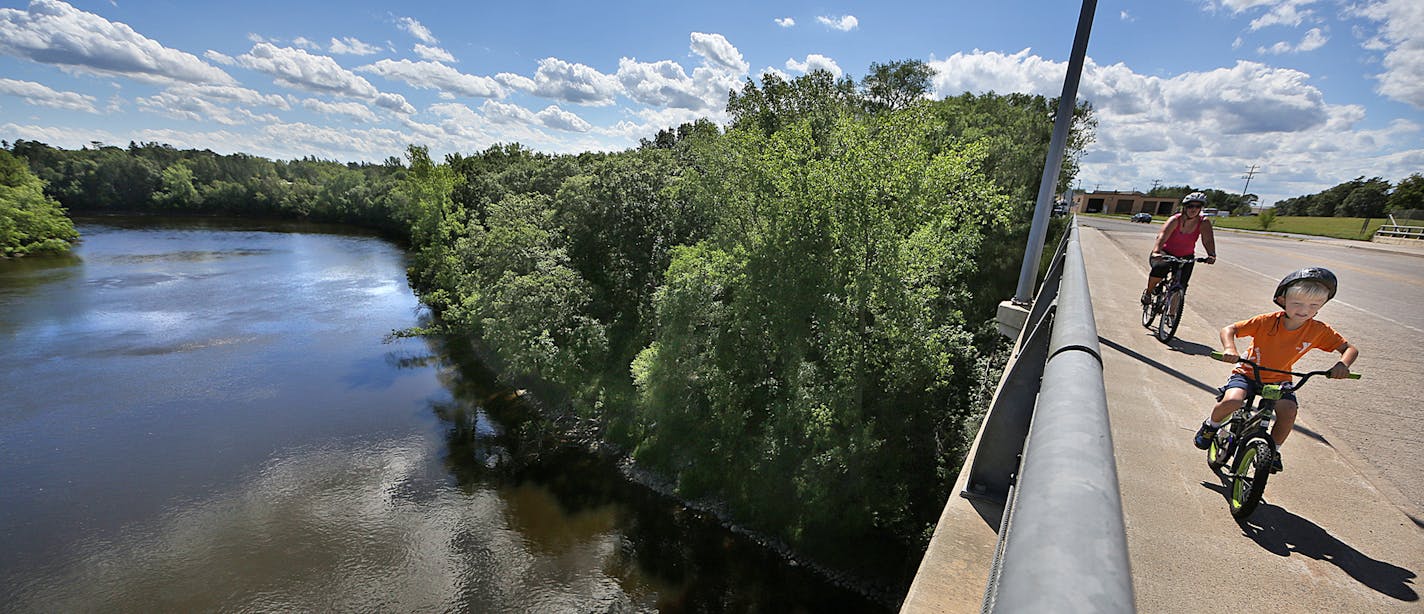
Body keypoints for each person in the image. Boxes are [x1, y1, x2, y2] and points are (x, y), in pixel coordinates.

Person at [1192, 267, 1360, 472]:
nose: (1304, 310)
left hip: (1280, 379)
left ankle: (1274, 449)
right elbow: (1230, 329)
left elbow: (1349, 349)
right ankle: (1211, 425)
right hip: (1248, 373)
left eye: (1314, 305)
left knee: (1289, 411)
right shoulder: (1267, 322)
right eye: (1297, 303)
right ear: (1282, 301)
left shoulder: (1319, 330)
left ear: (1321, 306)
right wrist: (1230, 348)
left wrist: (1342, 365)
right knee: (1233, 400)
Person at [1141, 192, 1217, 305]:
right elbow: (1162, 236)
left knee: (1181, 285)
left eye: (1198, 207)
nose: (1194, 209)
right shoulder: (1175, 220)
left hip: (1186, 256)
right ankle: (1149, 292)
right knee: (1160, 269)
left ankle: (1172, 315)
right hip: (1165, 253)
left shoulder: (1203, 222)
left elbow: (1208, 240)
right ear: (1185, 207)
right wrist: (1156, 251)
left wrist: (1211, 255)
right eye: (1191, 206)